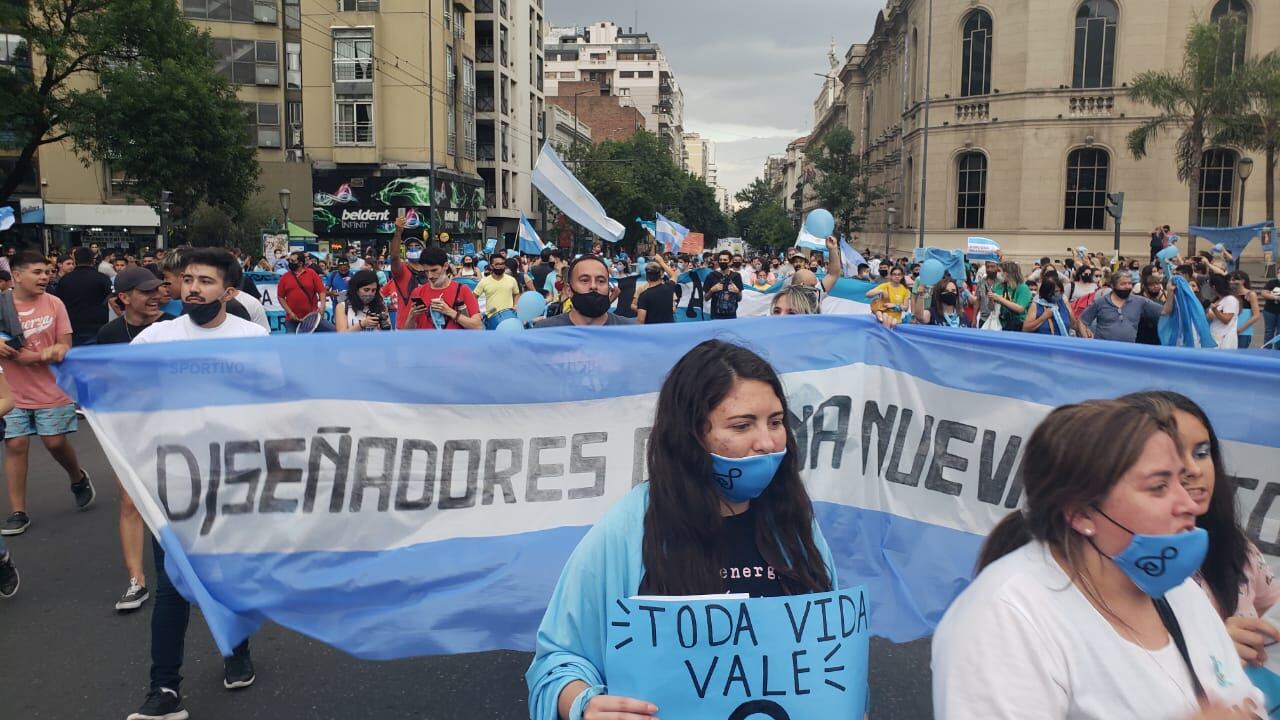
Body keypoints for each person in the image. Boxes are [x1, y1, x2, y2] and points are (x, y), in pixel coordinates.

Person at [526, 340, 837, 720]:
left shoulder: (794, 523)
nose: (767, 442)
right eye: (742, 425)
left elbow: (830, 655)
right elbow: (559, 659)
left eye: (775, 422)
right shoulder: (631, 527)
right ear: (691, 434)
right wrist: (582, 704)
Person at [933, 400, 1265, 720]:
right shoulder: (1005, 618)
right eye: (1159, 487)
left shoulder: (1182, 595)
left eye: (1182, 480)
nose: (1188, 503)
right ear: (1080, 513)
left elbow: (1246, 703)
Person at [127, 249, 267, 720]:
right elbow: (124, 392)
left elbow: (272, 403)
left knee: (225, 576)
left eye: (205, 281)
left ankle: (236, 648)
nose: (192, 288)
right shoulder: (154, 338)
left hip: (233, 478)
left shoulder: (252, 338)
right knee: (172, 586)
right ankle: (164, 689)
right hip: (171, 480)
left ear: (228, 292)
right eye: (186, 279)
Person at [1119, 392, 1280, 668]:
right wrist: (1210, 647)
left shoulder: (1238, 548)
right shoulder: (1115, 561)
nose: (1193, 469)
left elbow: (1270, 608)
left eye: (1202, 452)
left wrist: (1260, 637)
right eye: (1171, 455)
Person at [95, 268, 174, 612]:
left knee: (180, 499)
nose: (156, 295)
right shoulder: (110, 333)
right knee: (130, 500)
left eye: (158, 289)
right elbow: (106, 381)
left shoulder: (175, 327)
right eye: (146, 291)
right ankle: (136, 581)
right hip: (129, 425)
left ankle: (190, 571)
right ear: (124, 297)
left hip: (175, 425)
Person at [0, 252, 94, 537]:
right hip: (10, 391)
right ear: (16, 276)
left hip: (51, 387)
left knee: (54, 443)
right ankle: (18, 511)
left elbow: (65, 344)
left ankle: (77, 478)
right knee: (15, 445)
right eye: (37, 272)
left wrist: (46, 354)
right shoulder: (2, 304)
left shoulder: (55, 304)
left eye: (47, 272)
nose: (45, 277)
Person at [533, 255, 636, 328]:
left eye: (601, 281)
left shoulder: (630, 332)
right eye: (584, 280)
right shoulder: (545, 332)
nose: (593, 286)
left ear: (608, 288)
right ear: (569, 290)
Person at [1079, 271, 1170, 343]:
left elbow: (1165, 311)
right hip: (1103, 352)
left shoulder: (1140, 301)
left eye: (1129, 283)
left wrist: (1172, 292)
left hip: (1127, 352)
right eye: (1123, 284)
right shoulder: (1100, 302)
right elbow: (1082, 321)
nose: (1127, 286)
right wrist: (1087, 341)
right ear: (1113, 285)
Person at [406, 247, 482, 330]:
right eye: (426, 271)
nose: (430, 276)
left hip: (456, 342)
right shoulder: (418, 292)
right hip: (426, 342)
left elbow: (477, 326)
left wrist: (450, 312)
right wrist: (411, 316)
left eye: (434, 270)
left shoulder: (462, 290)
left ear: (445, 266)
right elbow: (408, 333)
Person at [51, 246, 113, 347]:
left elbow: (58, 303)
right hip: (98, 327)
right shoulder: (102, 278)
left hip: (72, 327)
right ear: (92, 260)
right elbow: (111, 298)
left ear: (75, 259)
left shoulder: (65, 280)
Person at [276, 251, 326, 333]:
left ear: (300, 263)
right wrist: (290, 313)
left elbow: (321, 291)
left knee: (334, 331)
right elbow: (280, 297)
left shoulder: (311, 273)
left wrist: (322, 307)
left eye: (293, 261)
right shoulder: (284, 277)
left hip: (312, 318)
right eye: (289, 260)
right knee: (292, 343)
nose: (290, 263)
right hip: (292, 319)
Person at [474, 253, 521, 328]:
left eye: (502, 264)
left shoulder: (512, 280)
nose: (500, 266)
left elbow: (516, 294)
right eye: (497, 264)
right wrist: (477, 313)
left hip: (510, 316)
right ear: (491, 266)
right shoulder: (484, 281)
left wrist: (515, 305)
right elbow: (473, 297)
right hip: (492, 318)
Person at [703, 250, 744, 320]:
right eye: (720, 260)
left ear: (730, 262)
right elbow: (706, 298)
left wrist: (737, 291)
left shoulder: (736, 276)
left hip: (731, 316)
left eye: (725, 260)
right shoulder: (711, 276)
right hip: (715, 316)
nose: (722, 262)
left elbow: (739, 299)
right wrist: (712, 290)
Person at [1206, 274, 1239, 351]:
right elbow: (1211, 317)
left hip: (1225, 340)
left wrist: (1215, 310)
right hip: (1214, 336)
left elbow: (1226, 320)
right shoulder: (1217, 300)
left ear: (1213, 287)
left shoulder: (1230, 300)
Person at [1229, 271, 1260, 350]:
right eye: (1230, 280)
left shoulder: (1250, 294)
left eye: (1234, 280)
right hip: (1229, 330)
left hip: (1243, 331)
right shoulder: (1230, 294)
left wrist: (1240, 329)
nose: (1231, 282)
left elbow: (1256, 315)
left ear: (1242, 281)